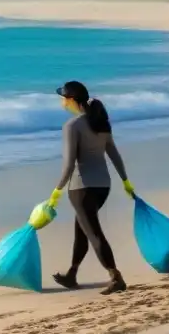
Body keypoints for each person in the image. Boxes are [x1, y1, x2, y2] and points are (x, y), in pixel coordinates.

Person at [46, 80, 134, 295]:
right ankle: (71, 274)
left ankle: (115, 276)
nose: (61, 102)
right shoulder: (101, 122)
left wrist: (56, 192)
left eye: (63, 98)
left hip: (81, 188)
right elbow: (113, 153)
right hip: (103, 186)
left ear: (71, 100)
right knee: (82, 231)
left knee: (93, 233)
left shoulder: (72, 126)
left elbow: (69, 164)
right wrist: (125, 181)